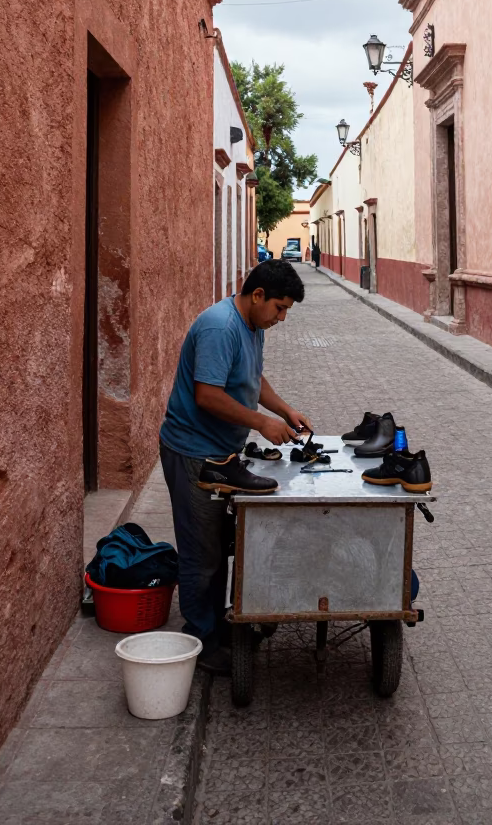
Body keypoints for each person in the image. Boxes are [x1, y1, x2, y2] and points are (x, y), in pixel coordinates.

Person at [159, 259, 312, 673]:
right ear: (258, 295)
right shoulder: (220, 327)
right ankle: (202, 641)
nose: (281, 318)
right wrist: (262, 423)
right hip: (193, 452)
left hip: (222, 454)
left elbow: (253, 379)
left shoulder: (252, 325)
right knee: (201, 552)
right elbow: (208, 395)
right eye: (279, 308)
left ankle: (217, 624)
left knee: (218, 543)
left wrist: (285, 410)